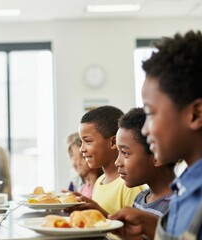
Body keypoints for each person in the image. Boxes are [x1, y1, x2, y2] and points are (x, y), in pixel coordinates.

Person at [110, 30, 202, 240]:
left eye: (151, 113)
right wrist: (154, 228)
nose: (145, 129)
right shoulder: (184, 189)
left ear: (195, 114)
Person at [72, 105, 144, 217]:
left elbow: (134, 229)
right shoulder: (99, 181)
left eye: (87, 141)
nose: (82, 149)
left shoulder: (129, 186)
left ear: (113, 142)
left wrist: (102, 213)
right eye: (81, 142)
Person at [116, 107, 175, 217]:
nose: (117, 162)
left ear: (157, 156)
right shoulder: (140, 198)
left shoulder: (176, 206)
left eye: (125, 153)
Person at [67, 132, 103, 198]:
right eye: (74, 158)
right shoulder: (85, 187)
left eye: (82, 157)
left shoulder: (99, 185)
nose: (76, 163)